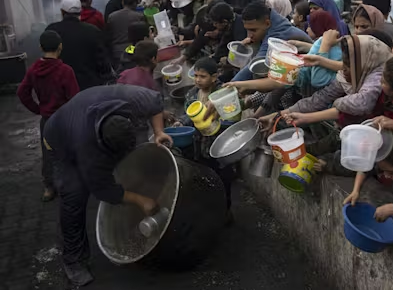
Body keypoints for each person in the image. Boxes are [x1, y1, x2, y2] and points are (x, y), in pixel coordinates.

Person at [43, 85, 172, 286]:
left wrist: (158, 132)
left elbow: (155, 102)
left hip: (82, 115)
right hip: (58, 139)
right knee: (74, 195)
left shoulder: (132, 100)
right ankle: (74, 260)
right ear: (101, 144)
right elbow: (102, 189)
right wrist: (140, 200)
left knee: (126, 167)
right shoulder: (87, 149)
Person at [17, 31, 80, 202]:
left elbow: (22, 92)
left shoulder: (33, 70)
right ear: (60, 47)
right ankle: (70, 184)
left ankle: (49, 187)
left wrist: (38, 109)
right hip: (65, 119)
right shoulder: (65, 70)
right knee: (68, 151)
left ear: (40, 47)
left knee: (48, 154)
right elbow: (75, 98)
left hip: (46, 120)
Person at [175, 58, 235, 214]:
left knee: (223, 179)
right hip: (199, 146)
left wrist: (218, 124)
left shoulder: (223, 94)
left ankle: (225, 212)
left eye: (203, 76)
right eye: (195, 76)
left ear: (214, 77)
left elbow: (233, 117)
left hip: (221, 146)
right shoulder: (192, 94)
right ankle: (210, 211)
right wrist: (181, 123)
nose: (198, 80)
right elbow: (188, 114)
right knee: (205, 178)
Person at [231, 1, 312, 82]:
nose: (249, 35)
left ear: (267, 23)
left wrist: (231, 85)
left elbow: (256, 64)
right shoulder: (272, 24)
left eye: (253, 30)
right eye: (248, 30)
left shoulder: (278, 34)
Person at [46, 0, 108, 90]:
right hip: (89, 86)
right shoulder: (93, 31)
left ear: (62, 12)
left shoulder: (51, 30)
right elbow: (102, 62)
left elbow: (47, 59)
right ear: (80, 12)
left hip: (61, 87)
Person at [106, 0, 145, 70]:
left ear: (123, 3)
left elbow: (108, 36)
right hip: (133, 50)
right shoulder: (139, 16)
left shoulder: (111, 17)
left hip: (116, 52)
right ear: (134, 4)